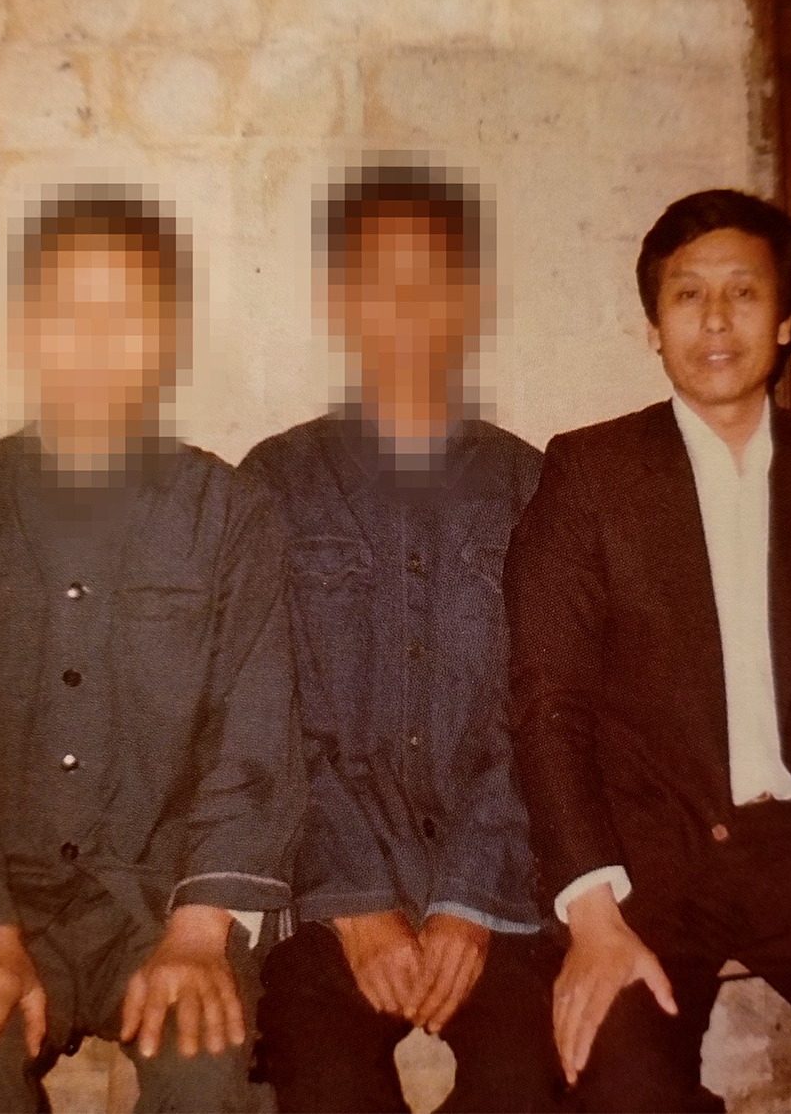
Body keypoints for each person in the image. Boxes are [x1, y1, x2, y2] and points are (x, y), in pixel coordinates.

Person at [0, 184, 305, 1113]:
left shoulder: (230, 516)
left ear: (166, 341)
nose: (95, 345)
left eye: (127, 316)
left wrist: (201, 931)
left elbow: (255, 749)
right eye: (68, 314)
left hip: (167, 904)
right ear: (26, 331)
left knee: (209, 1083)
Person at [504, 188, 791, 1114]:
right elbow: (549, 700)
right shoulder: (589, 474)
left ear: (785, 320)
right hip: (646, 866)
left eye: (743, 293)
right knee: (619, 1083)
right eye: (686, 295)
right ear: (653, 328)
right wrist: (592, 915)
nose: (715, 319)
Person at [242, 161, 560, 1113]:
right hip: (333, 901)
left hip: (498, 894)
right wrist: (355, 905)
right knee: (322, 1083)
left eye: (433, 282)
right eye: (380, 283)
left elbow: (541, 715)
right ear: (342, 305)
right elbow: (268, 716)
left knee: (527, 1084)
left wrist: (469, 905)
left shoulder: (533, 484)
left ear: (468, 304)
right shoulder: (277, 480)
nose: (407, 310)